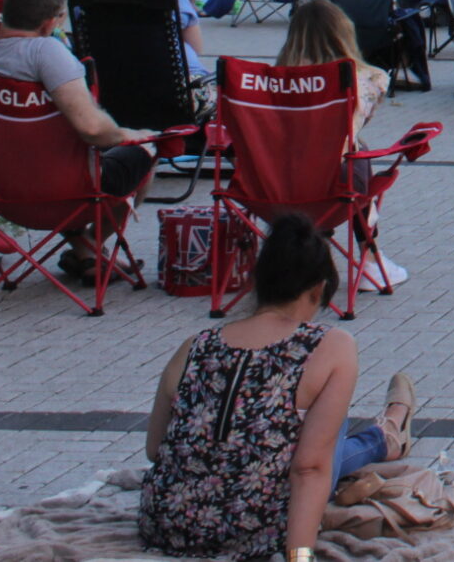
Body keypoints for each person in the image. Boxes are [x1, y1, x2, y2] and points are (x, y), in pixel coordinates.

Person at [136, 215, 417, 560]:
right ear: (318, 289)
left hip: (168, 524)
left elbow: (154, 449)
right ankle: (385, 435)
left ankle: (386, 435)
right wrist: (299, 556)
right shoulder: (331, 345)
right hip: (259, 530)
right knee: (324, 427)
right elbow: (309, 468)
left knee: (305, 426)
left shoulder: (195, 344)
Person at [0, 0, 159, 274]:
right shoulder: (47, 51)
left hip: (3, 196)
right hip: (69, 197)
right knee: (146, 148)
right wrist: (134, 134)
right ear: (49, 23)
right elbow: (93, 129)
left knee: (56, 163)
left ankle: (84, 252)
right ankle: (93, 244)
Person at [278, 0, 389, 138]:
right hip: (338, 155)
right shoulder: (374, 78)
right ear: (345, 33)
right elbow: (358, 124)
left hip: (281, 155)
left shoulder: (275, 80)